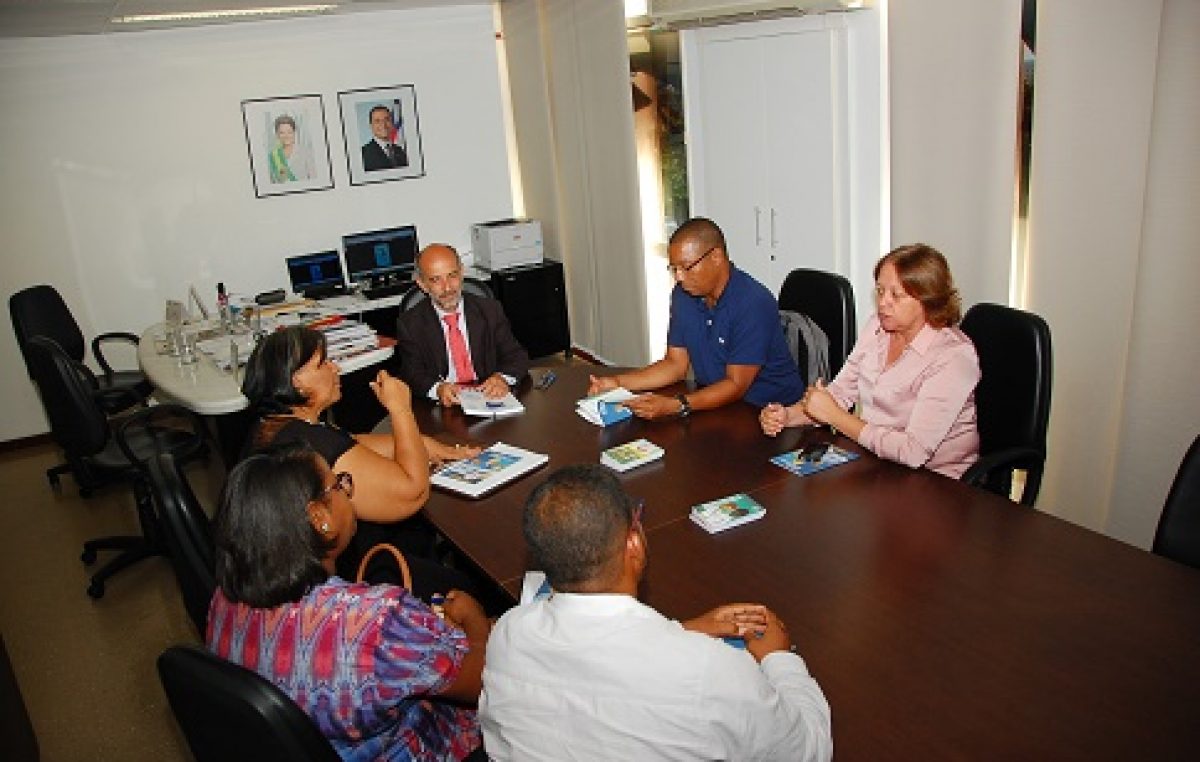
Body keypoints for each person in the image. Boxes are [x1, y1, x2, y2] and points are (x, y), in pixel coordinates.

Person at [479, 465, 833, 761]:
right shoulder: (705, 672)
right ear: (633, 542)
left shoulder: (509, 633)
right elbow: (810, 749)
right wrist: (778, 658)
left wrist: (683, 631)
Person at [207, 442, 489, 761]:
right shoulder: (379, 623)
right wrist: (474, 619)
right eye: (339, 484)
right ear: (319, 517)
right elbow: (486, 681)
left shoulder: (222, 600)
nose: (348, 492)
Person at [241, 325, 480, 577]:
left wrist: (433, 447)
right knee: (462, 581)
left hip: (294, 569)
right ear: (296, 381)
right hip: (350, 577)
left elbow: (353, 443)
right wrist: (400, 409)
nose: (336, 368)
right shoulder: (309, 448)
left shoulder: (277, 425)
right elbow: (413, 492)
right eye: (323, 363)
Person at [761, 243, 981, 478]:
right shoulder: (878, 327)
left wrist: (835, 416)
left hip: (936, 481)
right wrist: (787, 416)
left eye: (896, 295)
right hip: (877, 462)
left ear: (927, 300)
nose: (883, 303)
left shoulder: (953, 357)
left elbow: (913, 452)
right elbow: (840, 393)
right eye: (880, 291)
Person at [587, 217, 803, 419]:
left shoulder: (753, 302)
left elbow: (736, 385)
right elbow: (675, 364)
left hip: (770, 415)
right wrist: (616, 383)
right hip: (715, 406)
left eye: (686, 267)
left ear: (716, 257)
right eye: (674, 268)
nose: (679, 277)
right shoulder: (684, 295)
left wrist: (677, 405)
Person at [395, 244, 530, 408]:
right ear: (422, 284)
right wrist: (438, 389)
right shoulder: (410, 323)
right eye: (436, 279)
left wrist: (501, 378)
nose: (447, 287)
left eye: (452, 275)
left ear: (462, 272)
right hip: (445, 405)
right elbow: (412, 373)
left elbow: (516, 355)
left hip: (489, 396)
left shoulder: (490, 310)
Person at [267, 114, 314, 183]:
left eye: (289, 132)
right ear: (277, 135)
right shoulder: (273, 156)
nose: (286, 136)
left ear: (294, 133)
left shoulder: (306, 153)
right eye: (282, 133)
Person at [362, 105, 409, 171]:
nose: (383, 125)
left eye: (386, 119)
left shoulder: (400, 151)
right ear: (371, 125)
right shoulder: (363, 154)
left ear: (392, 123)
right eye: (377, 121)